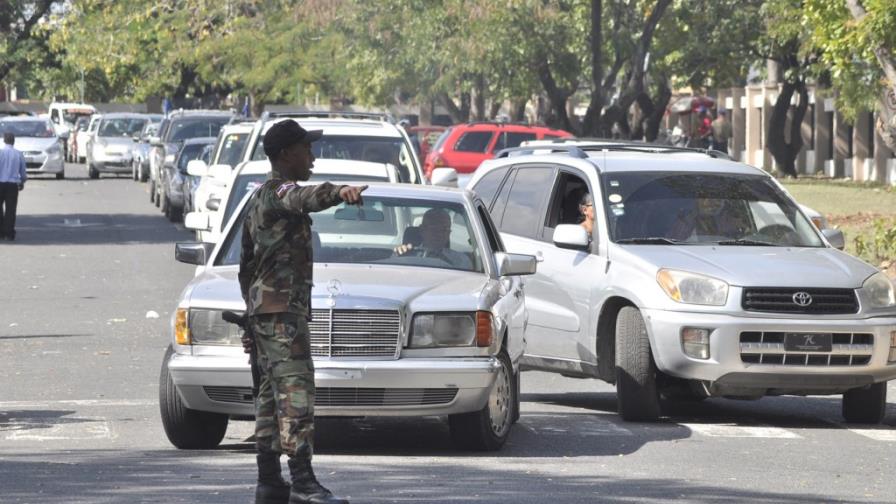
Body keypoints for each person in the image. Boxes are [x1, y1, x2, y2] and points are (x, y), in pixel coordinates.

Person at [239, 119, 364, 504]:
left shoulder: (257, 198)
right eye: (306, 148)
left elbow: (246, 266)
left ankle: (269, 481)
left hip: (266, 311)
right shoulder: (280, 191)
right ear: (284, 155)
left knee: (267, 395)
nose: (312, 155)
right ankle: (304, 482)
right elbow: (305, 197)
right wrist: (340, 192)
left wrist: (250, 317)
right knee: (295, 391)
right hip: (281, 315)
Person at [394, 208, 472, 270]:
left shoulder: (460, 260)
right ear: (422, 230)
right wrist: (398, 255)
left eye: (445, 229)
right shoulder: (406, 255)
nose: (440, 234)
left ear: (449, 233)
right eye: (434, 228)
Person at [0, 132, 27, 241]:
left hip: (0, 183)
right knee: (11, 210)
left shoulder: (0, 153)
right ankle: (9, 232)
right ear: (13, 141)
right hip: (12, 185)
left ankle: (0, 232)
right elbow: (23, 172)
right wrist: (22, 182)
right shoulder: (18, 154)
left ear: (4, 141)